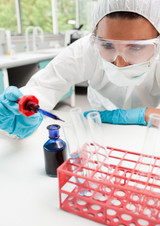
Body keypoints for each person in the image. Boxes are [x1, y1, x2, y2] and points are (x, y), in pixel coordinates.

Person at [1, 0, 160, 138]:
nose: (119, 63)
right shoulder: (88, 48)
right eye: (108, 45)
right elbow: (45, 85)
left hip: (153, 131)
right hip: (102, 127)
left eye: (136, 48)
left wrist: (143, 115)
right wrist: (24, 109)